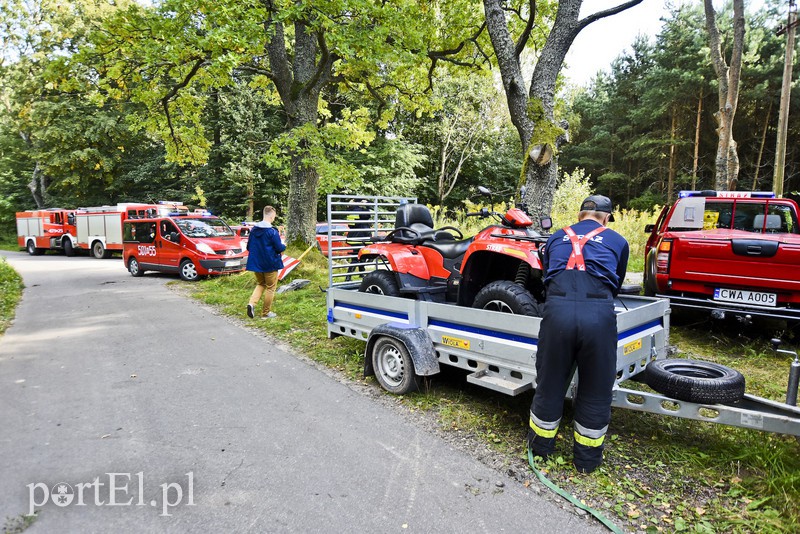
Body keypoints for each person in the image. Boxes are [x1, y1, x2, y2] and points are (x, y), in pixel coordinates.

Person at [527, 194, 629, 474]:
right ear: (606, 217)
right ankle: (586, 462)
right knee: (596, 389)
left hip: (557, 313)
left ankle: (540, 450)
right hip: (598, 315)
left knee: (549, 383)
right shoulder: (618, 241)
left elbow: (548, 275)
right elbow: (616, 283)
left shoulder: (554, 238)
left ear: (580, 214)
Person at [246, 206, 286, 319]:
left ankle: (251, 303)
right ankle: (265, 313)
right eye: (274, 217)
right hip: (270, 264)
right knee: (270, 287)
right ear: (272, 216)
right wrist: (284, 246)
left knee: (261, 284)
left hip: (256, 264)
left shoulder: (254, 230)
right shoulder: (272, 231)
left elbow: (249, 247)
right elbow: (279, 248)